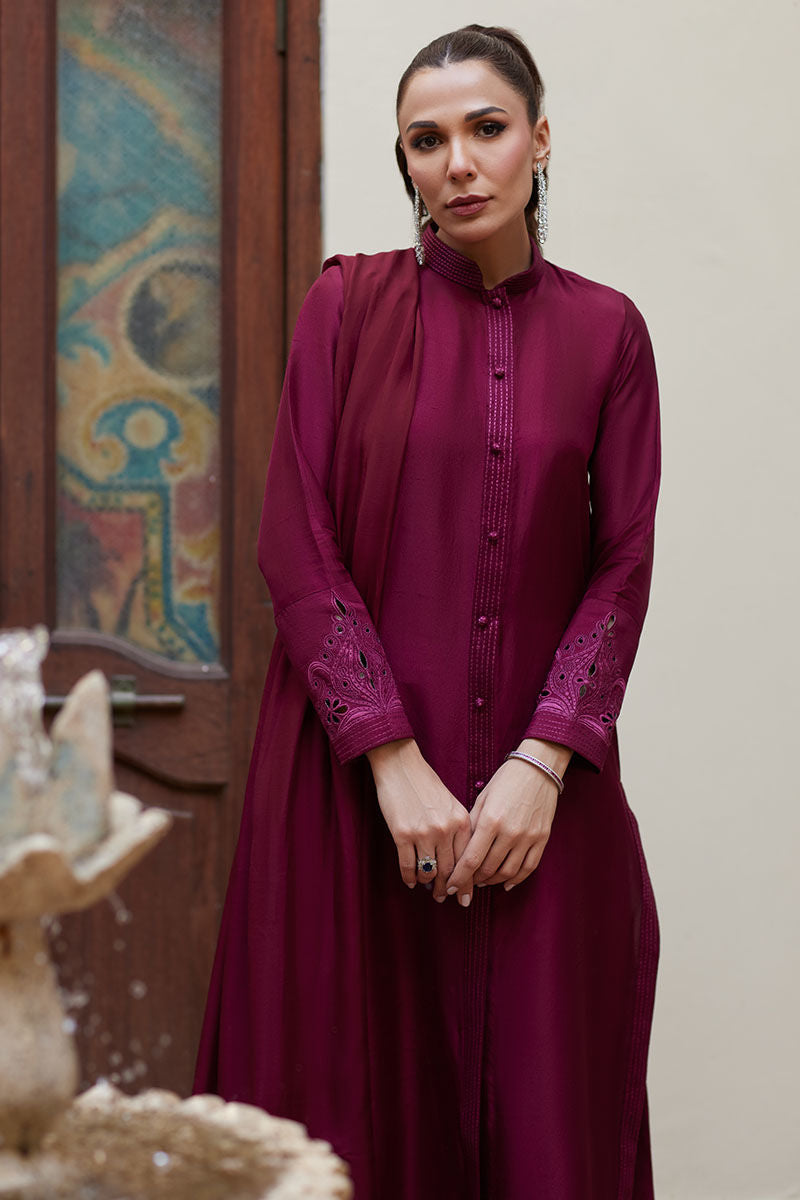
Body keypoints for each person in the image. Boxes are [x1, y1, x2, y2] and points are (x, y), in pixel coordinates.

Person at [194, 23, 661, 1200]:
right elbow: (294, 543)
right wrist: (389, 760)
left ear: (537, 140)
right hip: (353, 799)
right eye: (424, 139)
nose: (456, 162)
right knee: (350, 1125)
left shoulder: (606, 332)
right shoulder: (345, 307)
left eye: (485, 129)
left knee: (547, 1124)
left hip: (539, 808)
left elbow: (620, 561)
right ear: (402, 160)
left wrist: (542, 762)